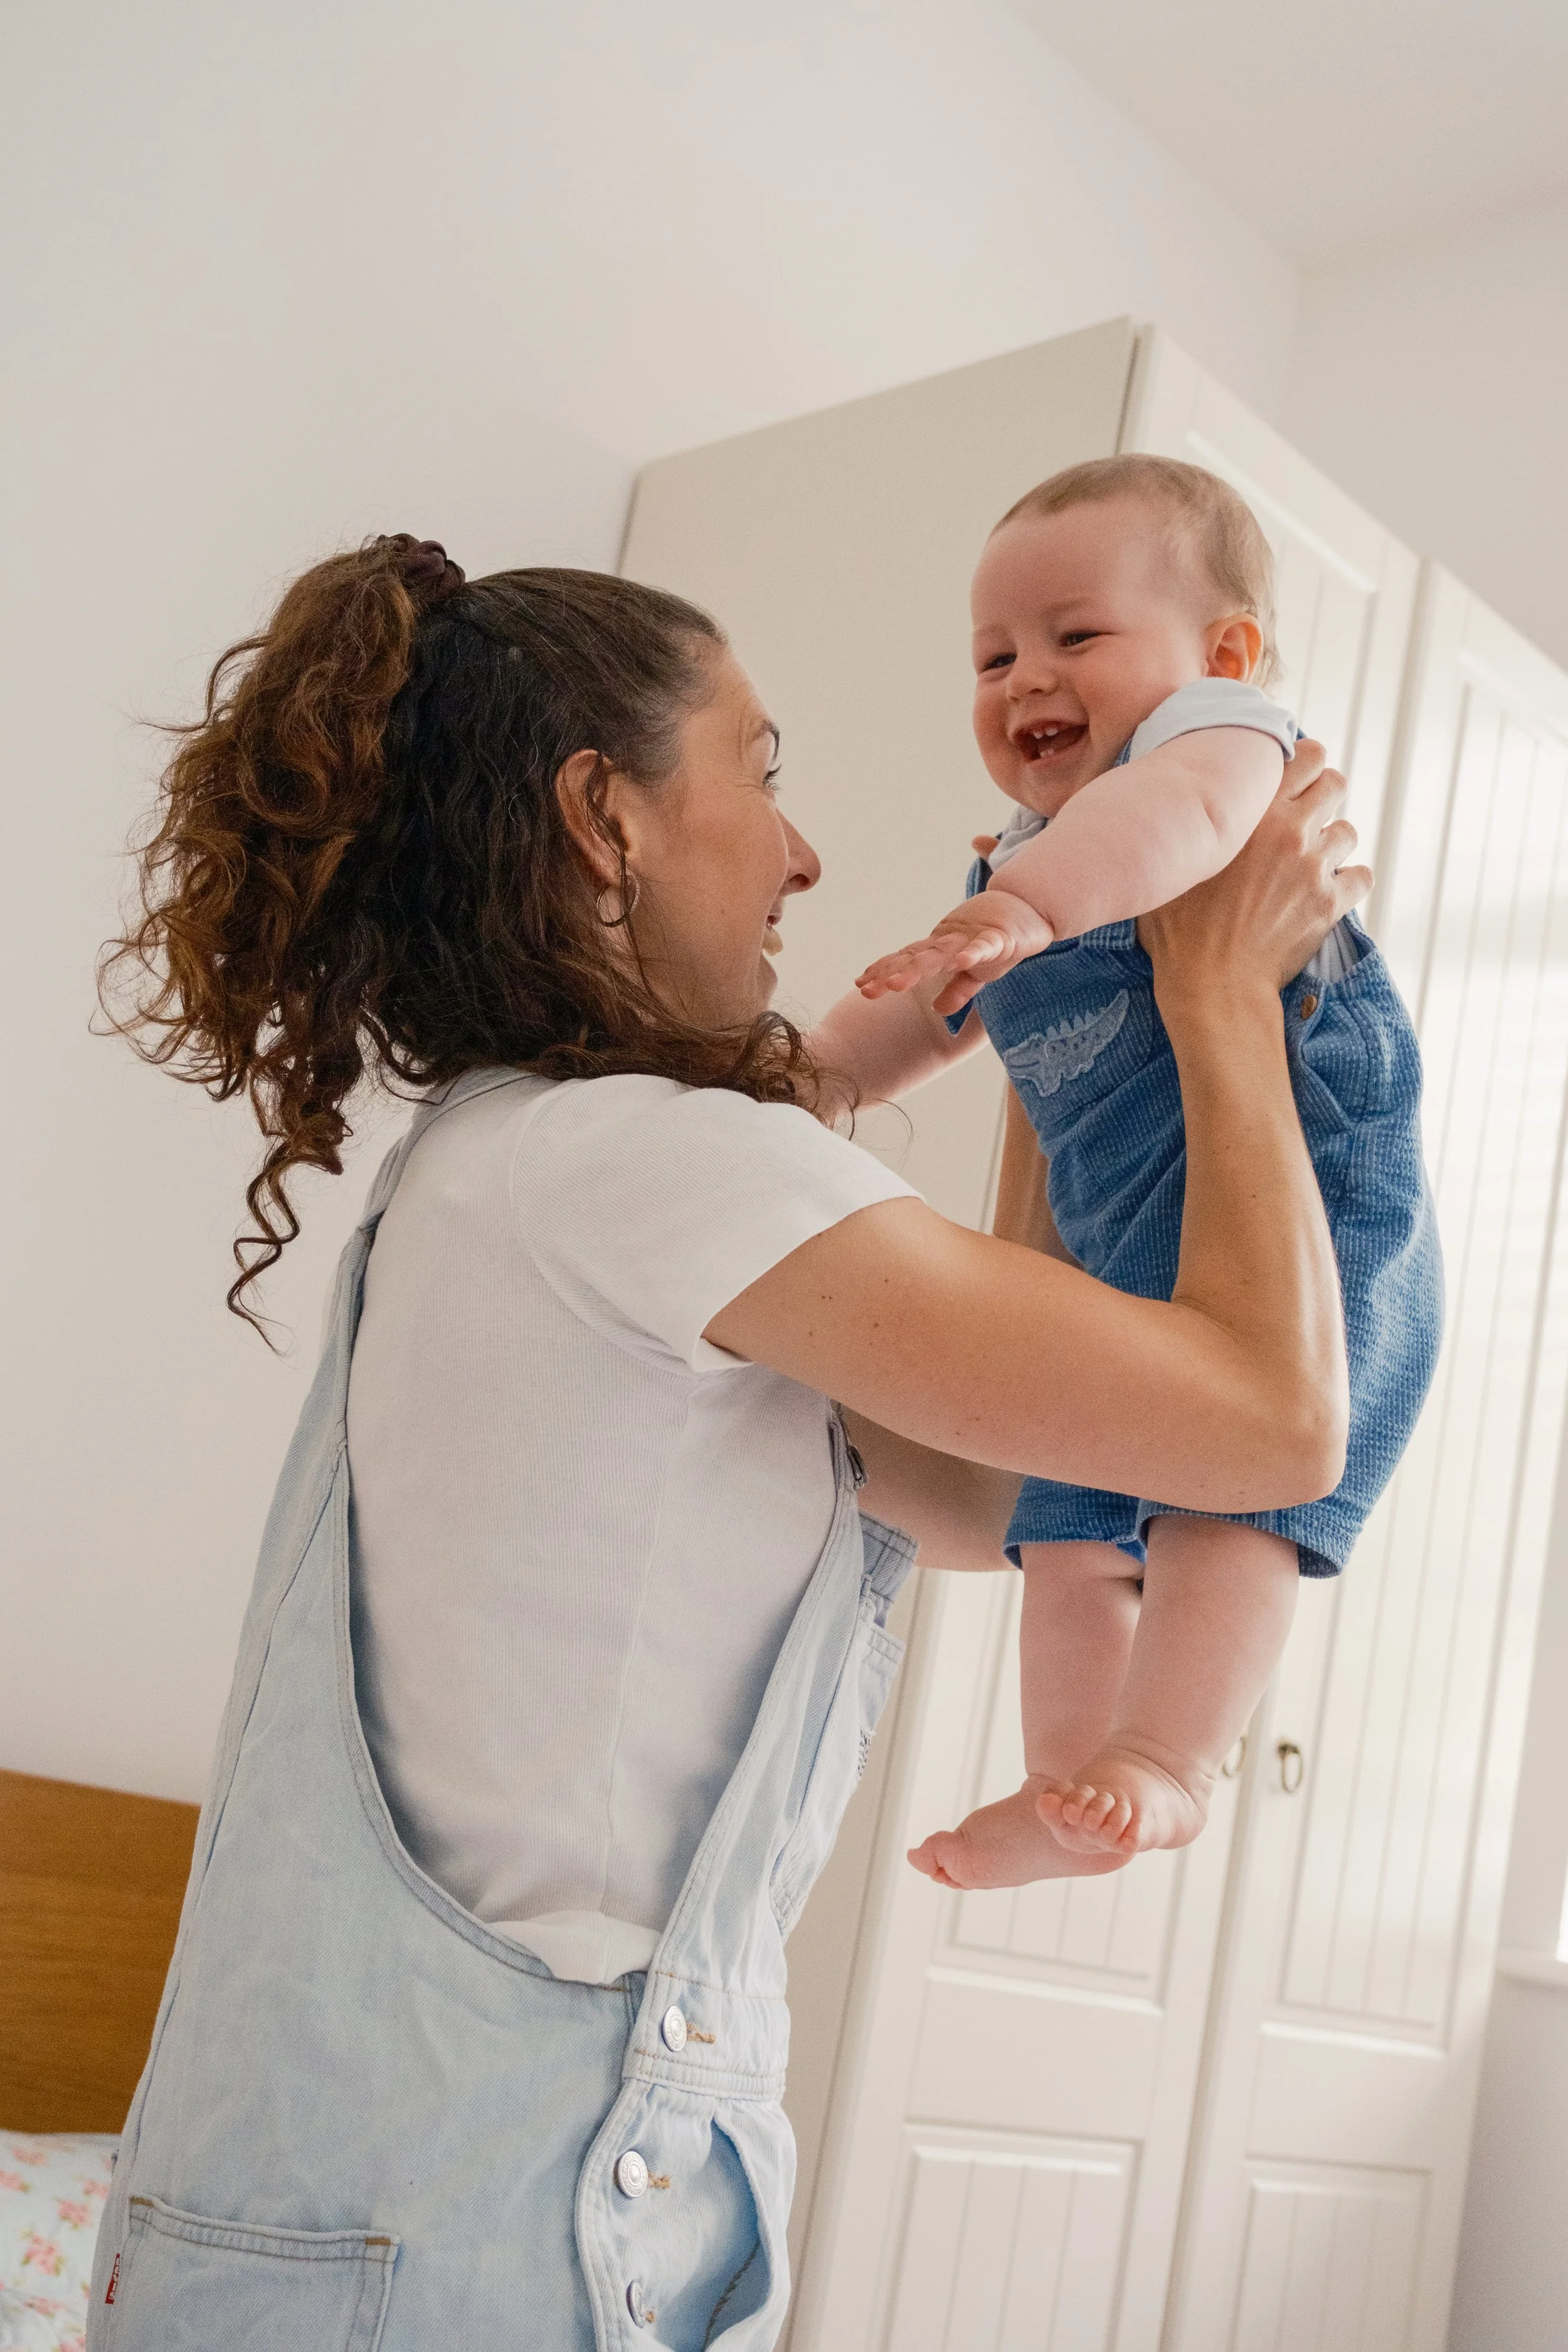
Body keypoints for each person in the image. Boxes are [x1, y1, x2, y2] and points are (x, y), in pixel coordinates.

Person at [89, 534, 1359, 2351]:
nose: (803, 849)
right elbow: (1268, 1425)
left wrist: (1072, 1041)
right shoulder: (641, 1164)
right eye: (760, 771)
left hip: (490, 2195)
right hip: (479, 2231)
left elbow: (1009, 1486)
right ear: (604, 815)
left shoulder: (518, 1163)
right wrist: (1219, 999)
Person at [813, 455, 1442, 1890]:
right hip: (1123, 1233)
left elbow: (1158, 839)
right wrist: (814, 1077)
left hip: (1315, 1209)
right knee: (1068, 1526)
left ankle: (1166, 1754)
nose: (1024, 675)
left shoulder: (1222, 751)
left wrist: (1020, 911)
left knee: (1233, 1500)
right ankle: (1065, 1781)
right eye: (992, 654)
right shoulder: (1028, 861)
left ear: (1217, 656)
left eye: (1073, 636)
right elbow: (932, 1007)